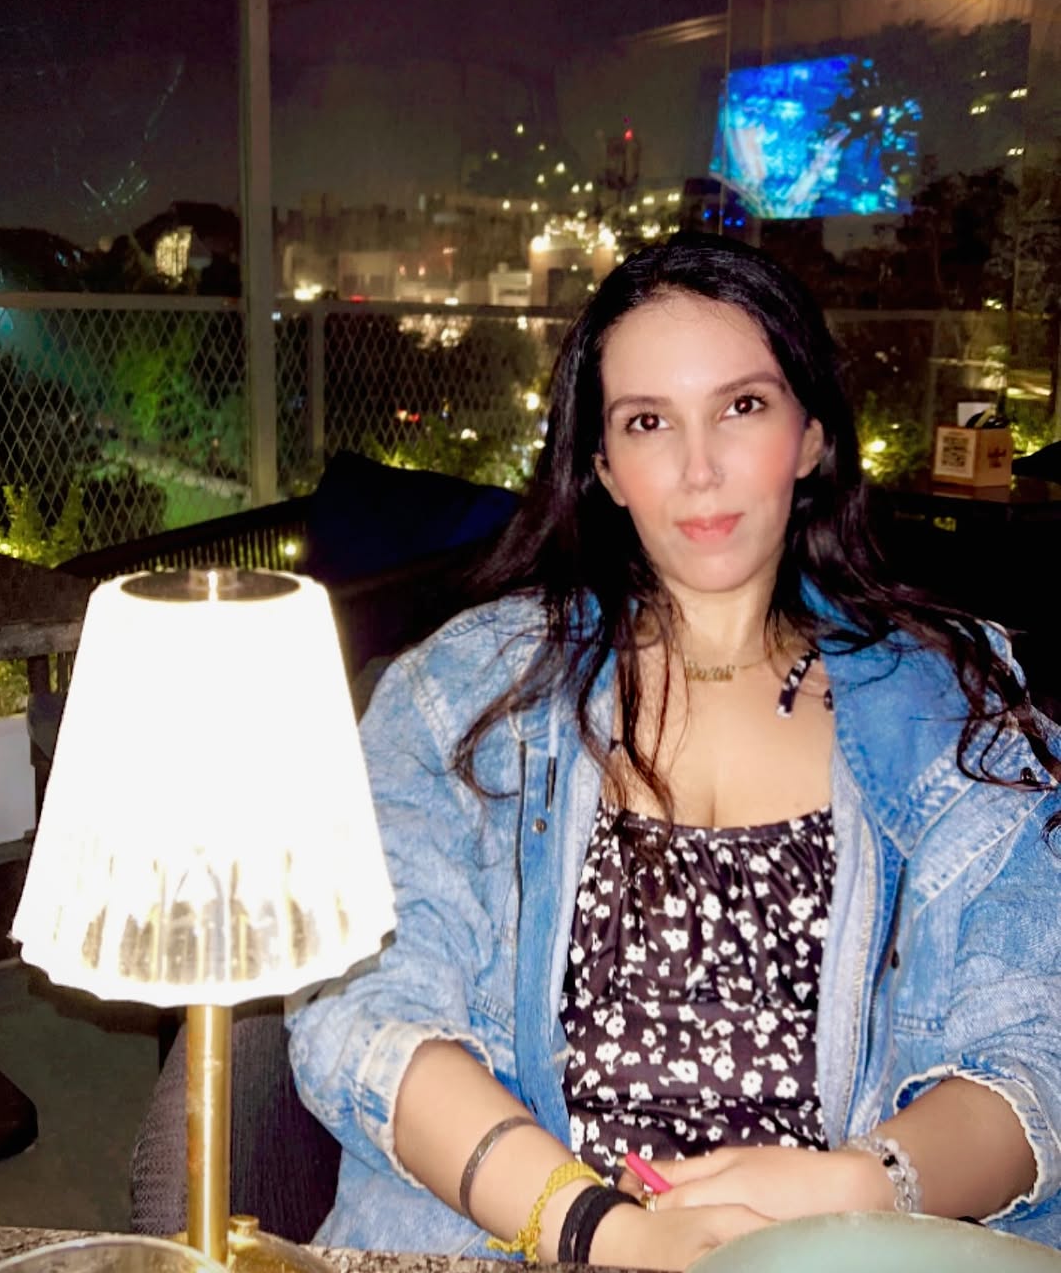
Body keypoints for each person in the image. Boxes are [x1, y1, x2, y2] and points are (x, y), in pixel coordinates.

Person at [287, 234, 1061, 1266]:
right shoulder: (464, 696)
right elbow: (362, 1010)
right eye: (648, 422)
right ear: (603, 467)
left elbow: (1039, 1042)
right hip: (514, 1240)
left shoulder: (951, 707)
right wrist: (593, 1227)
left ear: (812, 435)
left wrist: (858, 1187)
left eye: (742, 406)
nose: (700, 470)